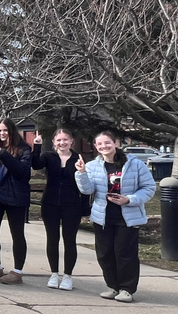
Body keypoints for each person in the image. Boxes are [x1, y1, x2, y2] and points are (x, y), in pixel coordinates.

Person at [75, 130, 157, 303]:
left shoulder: (135, 164)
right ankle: (112, 286)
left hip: (128, 217)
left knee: (125, 254)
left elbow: (149, 188)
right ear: (96, 147)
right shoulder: (92, 166)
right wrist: (81, 173)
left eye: (107, 143)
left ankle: (127, 289)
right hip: (103, 217)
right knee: (104, 254)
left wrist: (129, 199)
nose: (104, 146)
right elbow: (87, 190)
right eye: (100, 144)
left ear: (116, 143)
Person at [32, 127, 86, 291]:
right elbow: (35, 164)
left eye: (65, 139)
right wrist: (37, 147)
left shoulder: (78, 158)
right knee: (52, 239)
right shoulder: (48, 156)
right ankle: (54, 273)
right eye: (59, 140)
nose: (62, 143)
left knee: (69, 240)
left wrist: (84, 208)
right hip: (50, 203)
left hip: (72, 205)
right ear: (54, 142)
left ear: (71, 141)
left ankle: (68, 276)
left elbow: (84, 185)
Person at [0, 119, 32, 285]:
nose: (2, 133)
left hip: (15, 197)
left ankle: (17, 272)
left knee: (17, 234)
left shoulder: (23, 149)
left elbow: (23, 172)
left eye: (5, 130)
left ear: (11, 131)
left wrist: (4, 154)